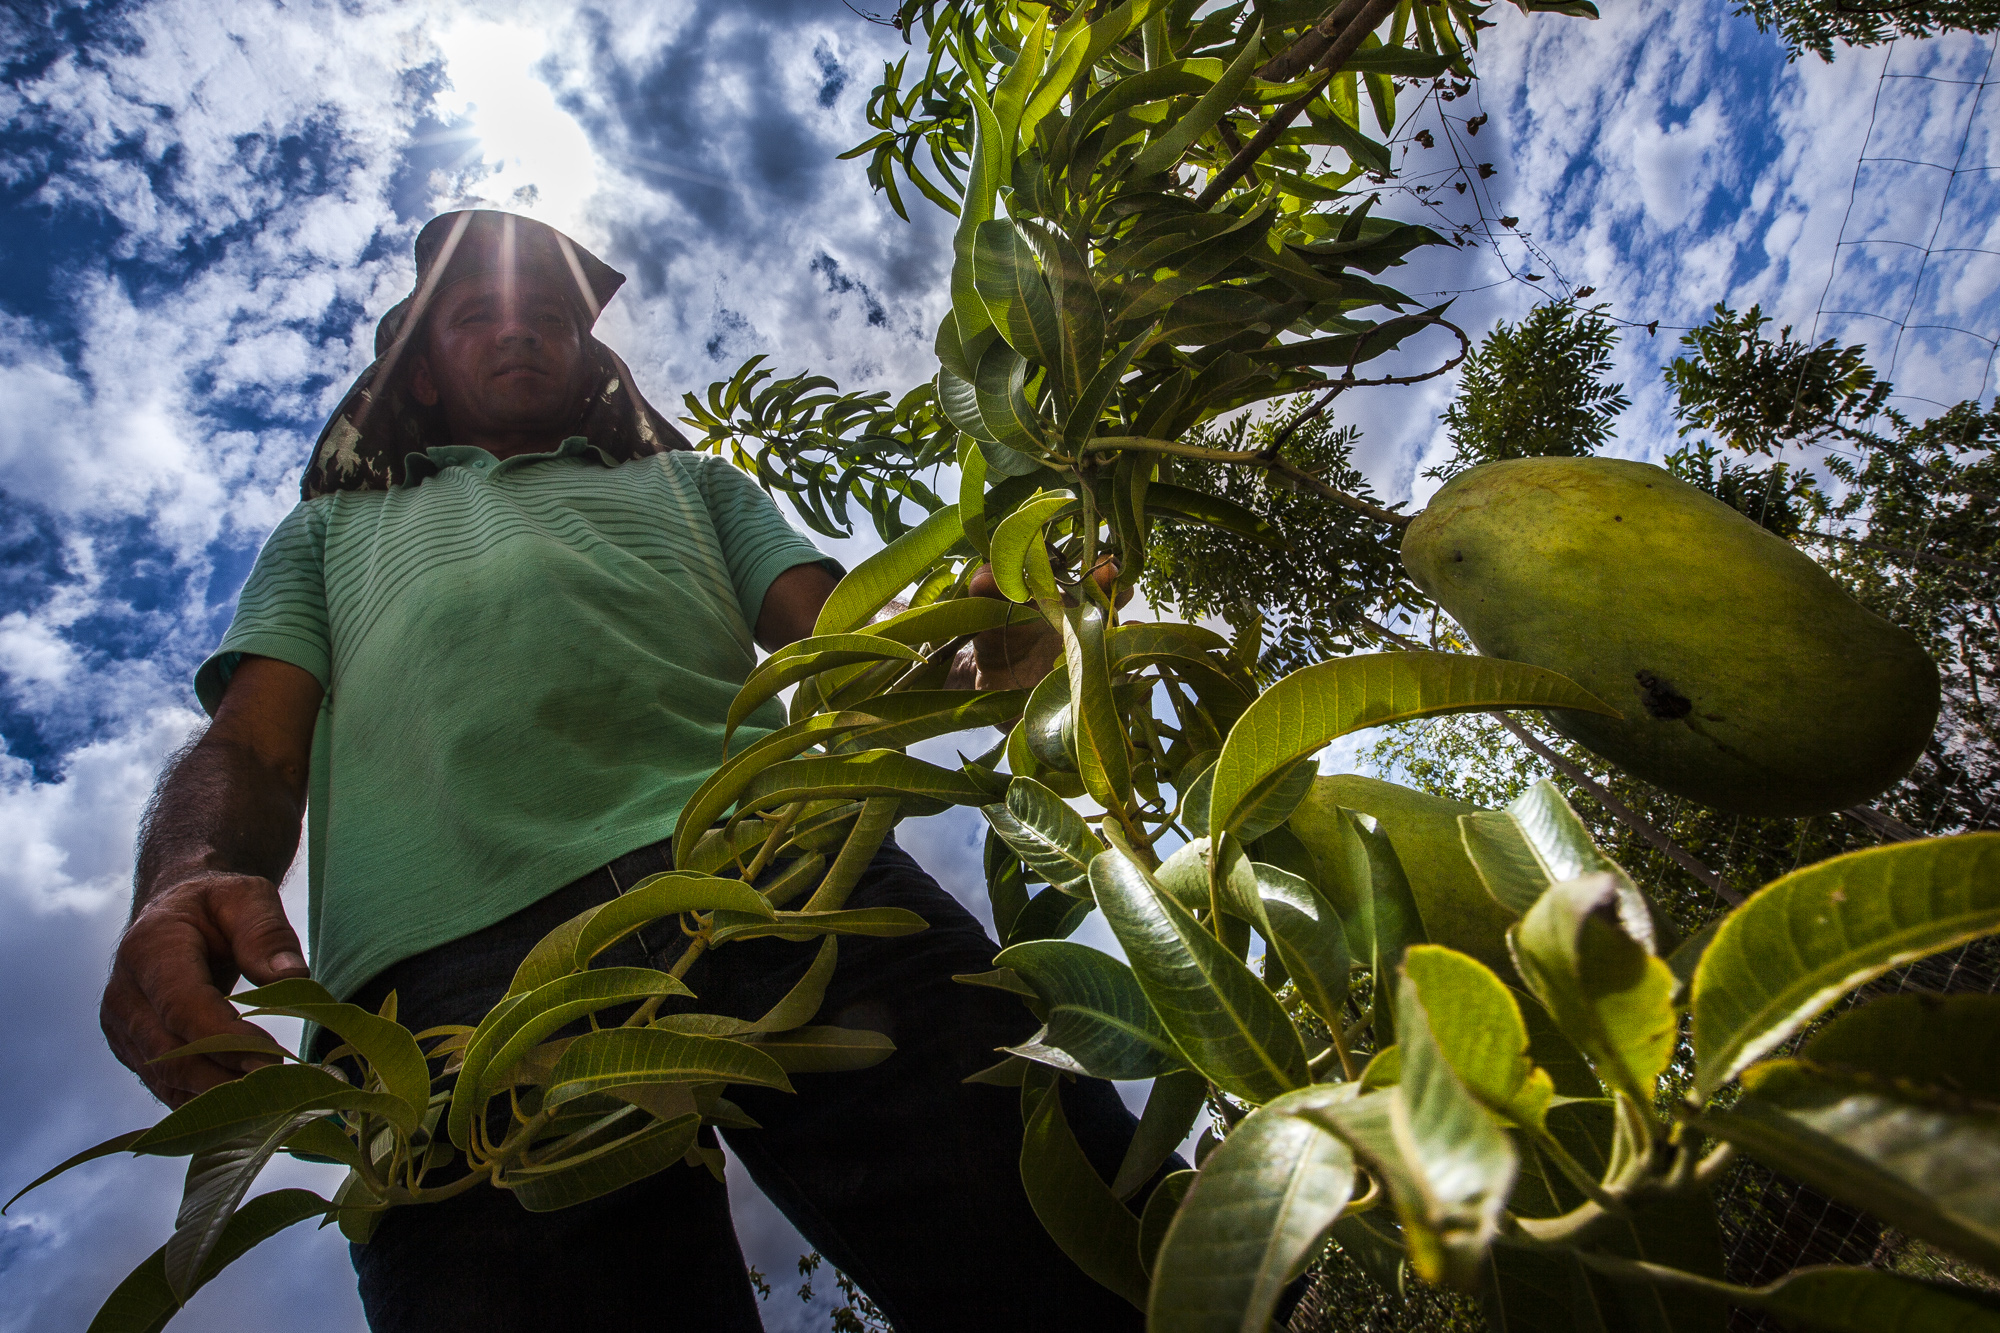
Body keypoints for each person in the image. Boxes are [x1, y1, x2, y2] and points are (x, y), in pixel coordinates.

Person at [98, 210, 1160, 1332]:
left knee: (1094, 1263)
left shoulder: (697, 487)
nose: (522, 330)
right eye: (479, 315)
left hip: (780, 877)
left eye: (550, 315)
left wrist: (975, 640)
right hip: (449, 994)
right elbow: (252, 745)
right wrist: (182, 876)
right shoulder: (326, 534)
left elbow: (850, 646)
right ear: (417, 377)